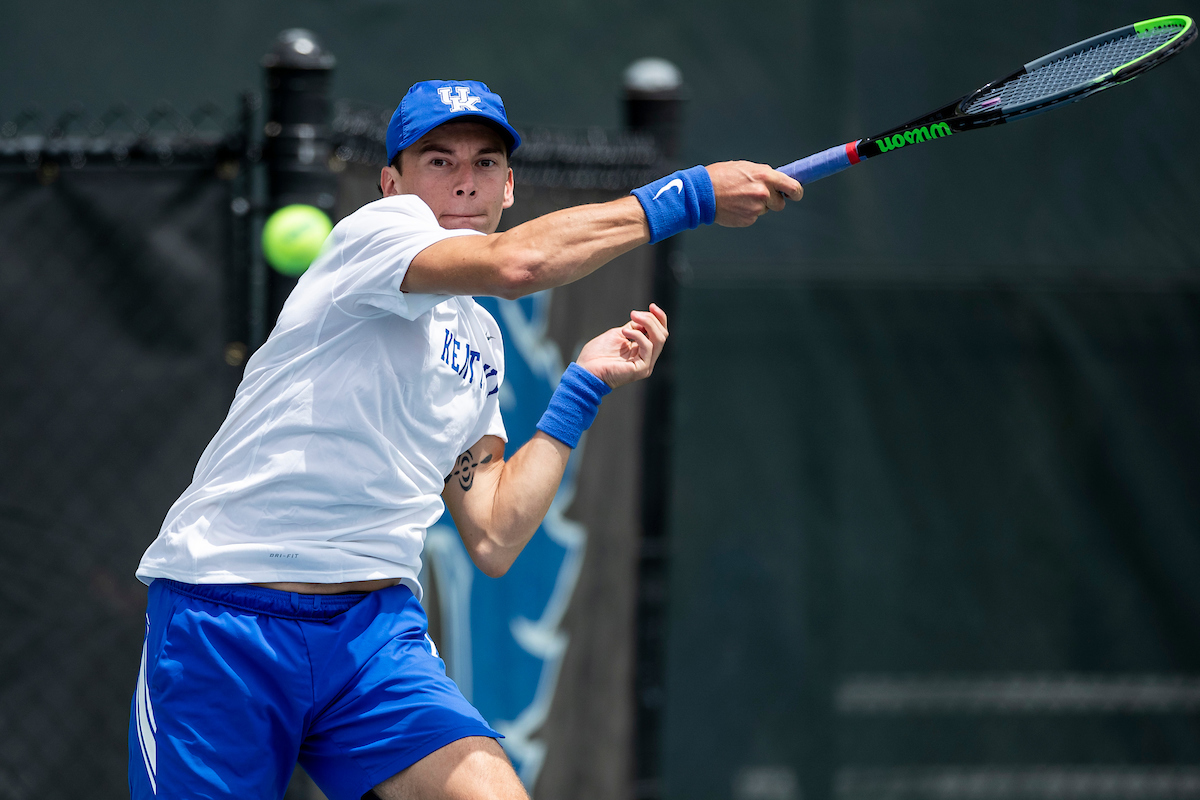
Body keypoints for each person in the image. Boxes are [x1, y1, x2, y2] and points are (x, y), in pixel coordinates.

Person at [129, 79, 801, 800]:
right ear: (393, 184)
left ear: (509, 187)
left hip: (371, 635)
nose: (464, 182)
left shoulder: (479, 342)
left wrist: (582, 386)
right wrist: (689, 194)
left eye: (485, 164)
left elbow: (495, 534)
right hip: (226, 615)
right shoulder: (374, 236)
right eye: (438, 161)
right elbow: (520, 266)